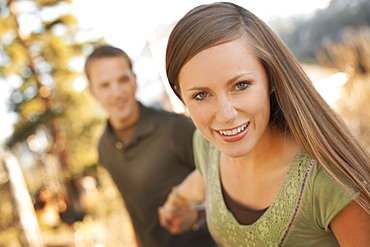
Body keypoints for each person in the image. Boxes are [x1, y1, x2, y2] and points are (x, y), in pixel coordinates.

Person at [159, 2, 370, 246]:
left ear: (270, 76)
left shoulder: (331, 182)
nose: (226, 115)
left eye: (241, 85)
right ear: (181, 95)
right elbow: (206, 180)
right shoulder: (207, 146)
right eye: (201, 95)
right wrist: (190, 209)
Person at [85, 45, 216, 247]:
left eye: (123, 80)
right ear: (92, 92)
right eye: (105, 85)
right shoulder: (104, 147)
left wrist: (198, 214)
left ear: (135, 80)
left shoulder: (176, 128)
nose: (117, 93)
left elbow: (232, 181)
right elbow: (133, 209)